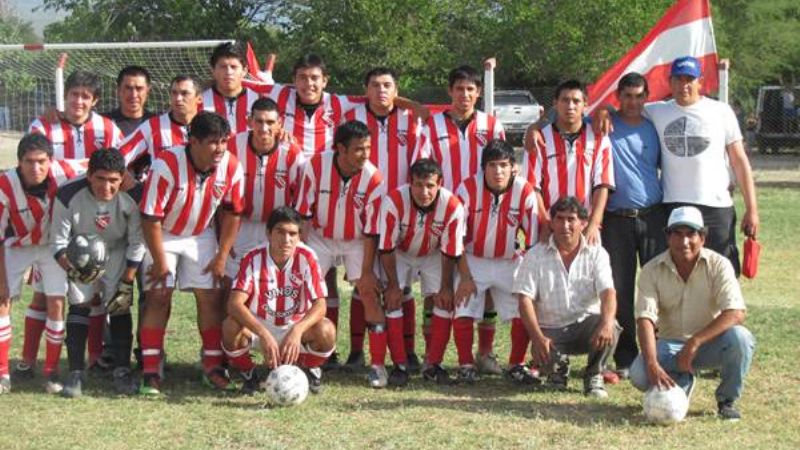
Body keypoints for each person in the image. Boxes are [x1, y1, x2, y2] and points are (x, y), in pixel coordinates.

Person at [596, 56, 758, 275]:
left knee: (723, 270)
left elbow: (739, 161)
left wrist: (752, 209)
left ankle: (728, 311)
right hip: (674, 205)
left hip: (715, 206)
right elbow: (624, 108)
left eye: (689, 79)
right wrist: (604, 110)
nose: (684, 85)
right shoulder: (655, 111)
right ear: (669, 82)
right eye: (678, 79)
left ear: (700, 81)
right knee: (680, 274)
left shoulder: (721, 111)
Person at [137, 112, 244, 395]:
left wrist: (222, 255)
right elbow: (150, 218)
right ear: (193, 141)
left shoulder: (231, 166)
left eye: (224, 141)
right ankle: (151, 369)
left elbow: (233, 213)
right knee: (159, 293)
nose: (220, 148)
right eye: (212, 142)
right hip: (164, 233)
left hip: (201, 233)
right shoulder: (166, 163)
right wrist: (160, 260)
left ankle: (211, 367)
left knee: (210, 295)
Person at [425, 140, 538, 384]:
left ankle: (517, 364)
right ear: (483, 168)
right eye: (492, 165)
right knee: (463, 307)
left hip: (510, 260)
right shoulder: (467, 189)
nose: (498, 171)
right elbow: (455, 238)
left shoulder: (525, 190)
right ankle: (466, 364)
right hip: (472, 259)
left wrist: (528, 275)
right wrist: (465, 277)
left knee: (523, 308)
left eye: (504, 165)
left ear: (512, 167)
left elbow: (533, 240)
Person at [629, 206, 755, 420]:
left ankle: (727, 400)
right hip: (669, 346)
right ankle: (683, 378)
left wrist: (695, 342)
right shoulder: (651, 269)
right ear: (667, 237)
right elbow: (645, 319)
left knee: (741, 338)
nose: (684, 241)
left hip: (708, 344)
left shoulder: (719, 265)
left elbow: (736, 313)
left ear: (703, 237)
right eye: (677, 234)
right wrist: (651, 363)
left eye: (691, 234)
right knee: (639, 376)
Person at [420, 62, 506, 375]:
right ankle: (432, 354)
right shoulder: (432, 126)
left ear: (479, 92)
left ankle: (484, 353)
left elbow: (502, 165)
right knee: (436, 287)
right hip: (442, 213)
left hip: (483, 213)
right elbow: (425, 169)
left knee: (486, 289)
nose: (465, 95)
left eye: (470, 89)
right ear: (450, 91)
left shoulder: (491, 125)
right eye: (459, 89)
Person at [341, 67, 426, 371]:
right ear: (365, 89)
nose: (381, 91)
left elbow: (424, 119)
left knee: (400, 284)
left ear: (396, 89)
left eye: (387, 86)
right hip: (361, 209)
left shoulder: (409, 119)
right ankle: (355, 351)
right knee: (362, 283)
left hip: (400, 212)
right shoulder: (351, 116)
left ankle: (408, 351)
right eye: (375, 85)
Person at [362, 158, 465, 388]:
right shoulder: (394, 201)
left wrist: (447, 287)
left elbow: (450, 251)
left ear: (440, 184)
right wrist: (393, 285)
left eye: (430, 185)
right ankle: (400, 365)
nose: (424, 191)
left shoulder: (453, 206)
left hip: (433, 254)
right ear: (410, 183)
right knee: (393, 300)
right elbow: (386, 247)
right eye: (418, 185)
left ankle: (433, 364)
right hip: (399, 253)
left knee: (445, 301)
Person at [50, 148, 144, 397]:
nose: (107, 186)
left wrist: (128, 279)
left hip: (116, 251)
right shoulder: (68, 194)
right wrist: (73, 269)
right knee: (79, 303)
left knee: (119, 304)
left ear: (122, 177)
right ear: (89, 175)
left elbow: (137, 241)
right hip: (79, 253)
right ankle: (76, 372)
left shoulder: (133, 195)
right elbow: (57, 243)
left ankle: (122, 370)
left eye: (114, 180)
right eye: (100, 178)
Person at [294, 120, 384, 374]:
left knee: (368, 292)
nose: (365, 155)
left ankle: (376, 364)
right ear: (340, 149)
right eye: (358, 149)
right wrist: (302, 257)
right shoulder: (315, 165)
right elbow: (303, 214)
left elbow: (371, 231)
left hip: (356, 240)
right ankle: (309, 359)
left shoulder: (374, 178)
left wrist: (366, 272)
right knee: (305, 291)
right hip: (320, 236)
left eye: (368, 148)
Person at [0, 134, 87, 394]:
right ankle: (3, 372)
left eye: (41, 162)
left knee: (57, 302)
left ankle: (51, 371)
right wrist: (2, 281)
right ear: (19, 162)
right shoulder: (4, 185)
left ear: (51, 160)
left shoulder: (66, 171)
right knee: (2, 300)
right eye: (29, 162)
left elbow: (99, 164)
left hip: (52, 246)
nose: (35, 168)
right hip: (16, 246)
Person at [513, 196, 620, 398]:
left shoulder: (598, 253)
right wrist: (536, 337)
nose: (565, 225)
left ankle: (594, 375)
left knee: (611, 326)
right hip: (550, 332)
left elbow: (608, 292)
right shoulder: (535, 254)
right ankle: (557, 373)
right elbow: (524, 299)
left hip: (585, 327)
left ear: (583, 223)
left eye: (571, 219)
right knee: (550, 366)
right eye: (560, 219)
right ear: (551, 223)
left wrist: (606, 322)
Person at [222, 207, 335, 394]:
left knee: (327, 330)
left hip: (294, 326)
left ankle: (306, 369)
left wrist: (297, 331)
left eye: (292, 234)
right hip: (260, 326)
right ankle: (249, 374)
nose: (286, 239)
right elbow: (234, 304)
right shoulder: (253, 257)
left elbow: (320, 305)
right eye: (280, 232)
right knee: (230, 326)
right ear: (268, 233)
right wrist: (264, 334)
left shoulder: (307, 257)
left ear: (299, 237)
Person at [600, 73, 666, 378]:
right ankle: (626, 356)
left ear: (647, 96)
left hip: (653, 216)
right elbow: (562, 116)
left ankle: (662, 351)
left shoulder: (655, 128)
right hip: (617, 219)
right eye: (627, 96)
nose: (633, 102)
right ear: (618, 97)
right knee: (621, 289)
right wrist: (534, 128)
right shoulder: (604, 125)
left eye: (639, 96)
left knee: (657, 287)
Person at [520, 79, 614, 245]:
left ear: (585, 104)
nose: (570, 106)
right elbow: (533, 187)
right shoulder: (539, 138)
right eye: (565, 100)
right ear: (555, 103)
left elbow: (602, 186)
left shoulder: (599, 138)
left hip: (585, 226)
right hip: (549, 226)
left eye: (576, 101)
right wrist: (546, 223)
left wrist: (593, 224)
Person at [224, 98, 306, 284]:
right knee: (233, 283)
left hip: (278, 228)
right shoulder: (232, 146)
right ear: (249, 121)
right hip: (240, 225)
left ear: (280, 123)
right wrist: (223, 235)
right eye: (259, 121)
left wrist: (296, 235)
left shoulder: (292, 151)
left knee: (276, 283)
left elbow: (301, 199)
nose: (264, 128)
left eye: (270, 122)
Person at [120, 75, 203, 179]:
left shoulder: (210, 125)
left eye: (184, 93)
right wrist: (129, 182)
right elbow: (119, 154)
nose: (178, 98)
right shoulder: (153, 126)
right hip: (163, 193)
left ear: (199, 98)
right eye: (174, 93)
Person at [29, 71, 123, 160]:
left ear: (94, 101)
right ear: (65, 95)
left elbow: (119, 166)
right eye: (74, 94)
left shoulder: (109, 128)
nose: (79, 101)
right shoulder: (41, 127)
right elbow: (32, 165)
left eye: (85, 97)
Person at [200, 42, 260, 134]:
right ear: (213, 70)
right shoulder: (200, 101)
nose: (228, 72)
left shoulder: (258, 99)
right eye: (223, 67)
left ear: (244, 71)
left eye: (233, 67)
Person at [104, 65, 157, 137]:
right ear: (118, 90)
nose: (134, 95)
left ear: (148, 91)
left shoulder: (158, 123)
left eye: (139, 88)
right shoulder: (103, 123)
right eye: (128, 88)